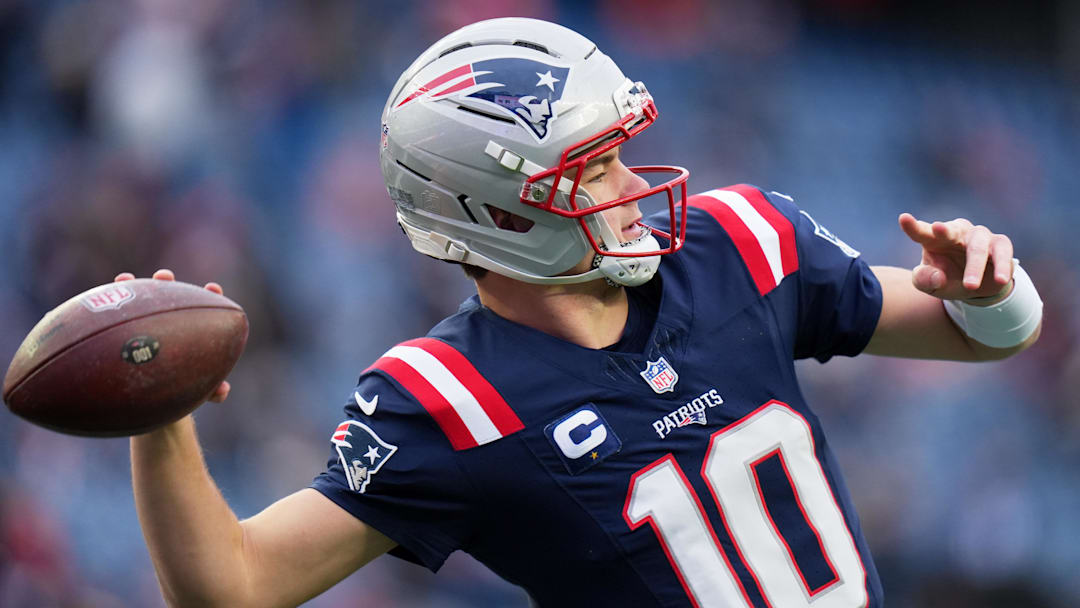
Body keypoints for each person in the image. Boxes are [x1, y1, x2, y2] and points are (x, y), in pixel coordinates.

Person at [123, 17, 1043, 608]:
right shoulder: (453, 401)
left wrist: (993, 292)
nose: (634, 185)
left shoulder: (738, 245)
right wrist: (158, 417)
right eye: (594, 169)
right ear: (497, 215)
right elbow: (233, 585)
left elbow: (986, 337)